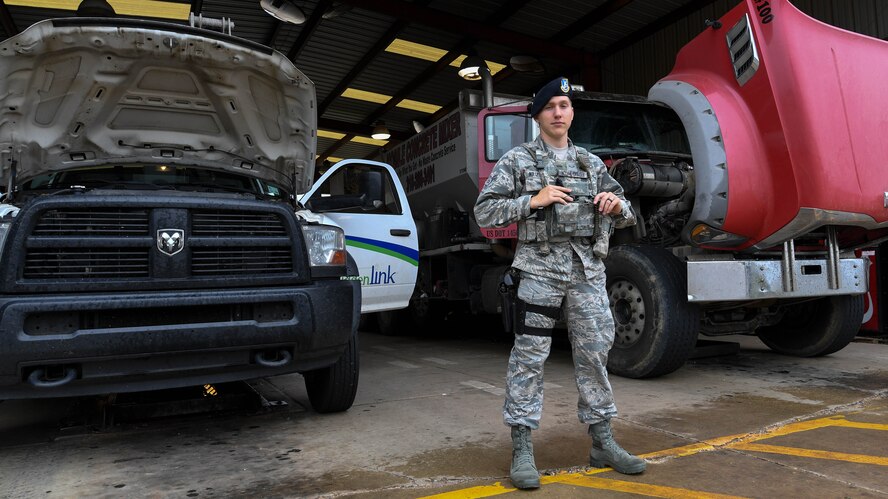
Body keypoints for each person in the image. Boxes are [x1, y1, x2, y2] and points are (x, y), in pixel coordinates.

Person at [473, 77, 645, 490]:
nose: (558, 112)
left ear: (572, 113)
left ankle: (603, 441)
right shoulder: (518, 160)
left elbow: (628, 216)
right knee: (529, 358)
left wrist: (615, 204)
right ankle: (522, 448)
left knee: (595, 356)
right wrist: (533, 200)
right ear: (537, 115)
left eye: (564, 105)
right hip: (539, 272)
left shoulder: (591, 163)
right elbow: (485, 212)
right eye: (550, 106)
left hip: (587, 273)